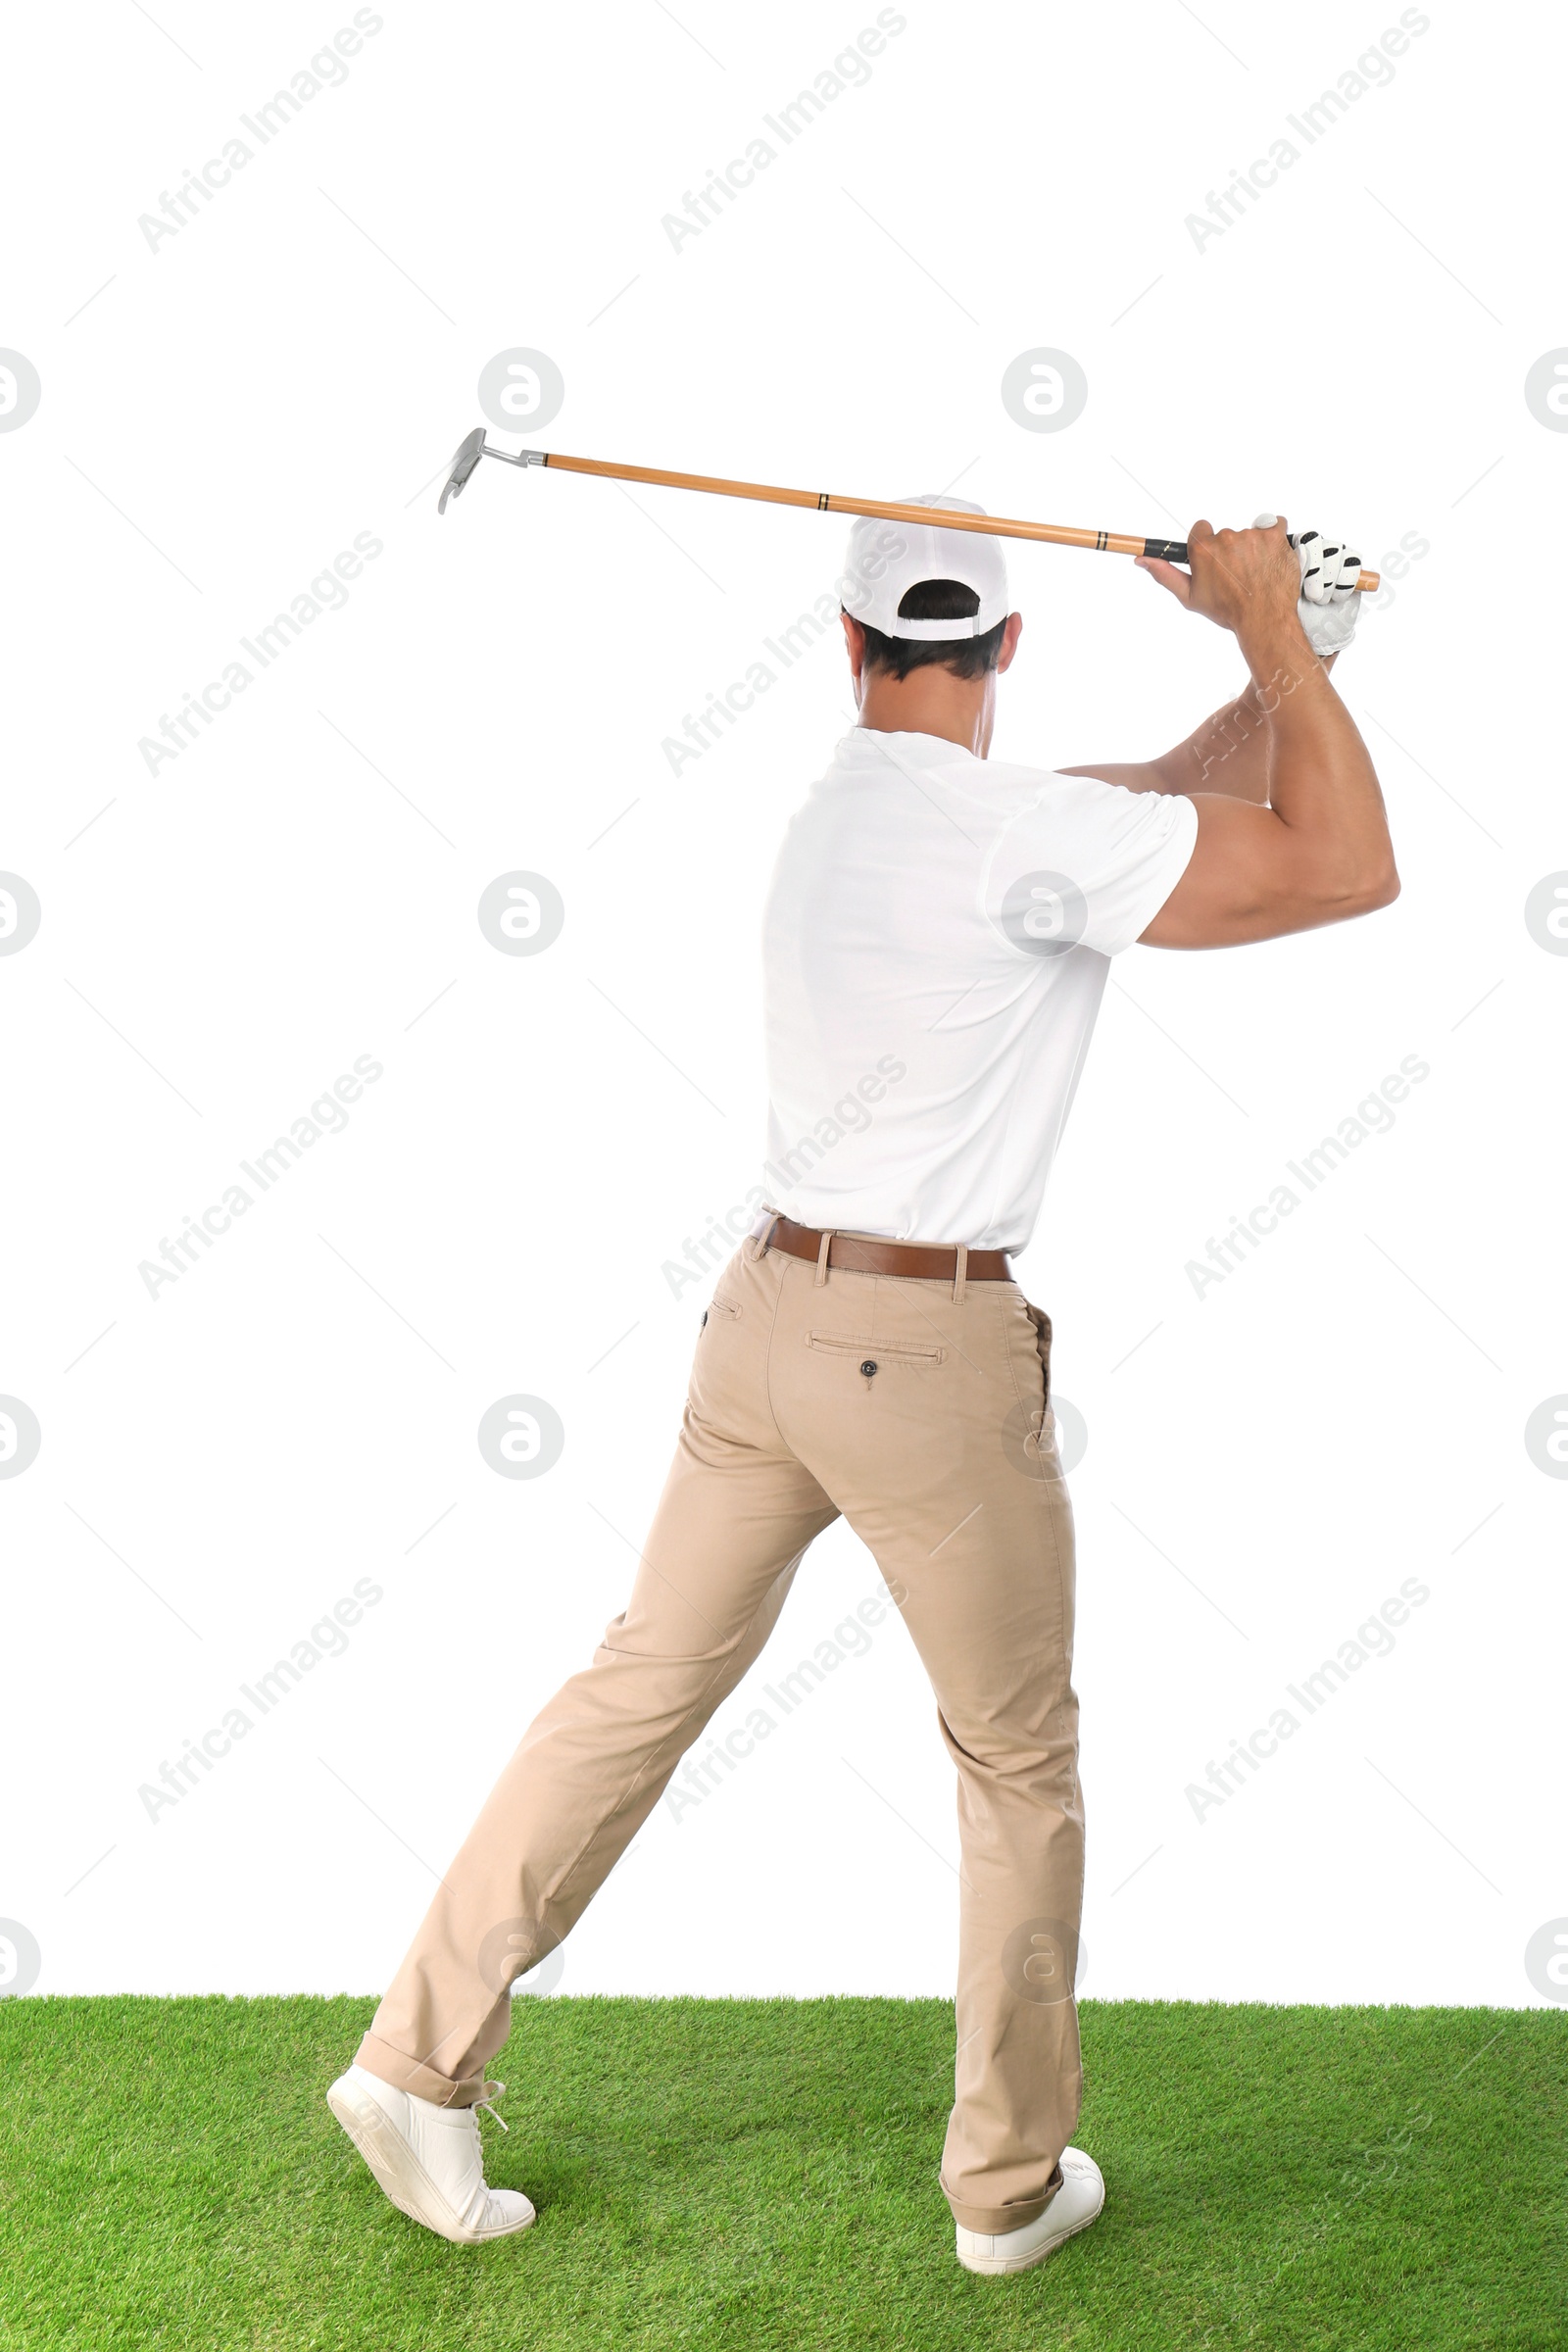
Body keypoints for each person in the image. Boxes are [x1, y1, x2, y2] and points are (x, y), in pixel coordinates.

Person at [327, 500, 1396, 2276]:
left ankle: (413, 2058)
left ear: (845, 648)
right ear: (1008, 650)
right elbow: (1342, 866)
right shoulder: (1013, 834)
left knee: (637, 1682)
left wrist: (1287, 664)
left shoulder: (865, 811)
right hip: (929, 1364)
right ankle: (1005, 2192)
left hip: (764, 1324)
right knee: (1017, 1765)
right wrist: (1269, 636)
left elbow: (1155, 806)